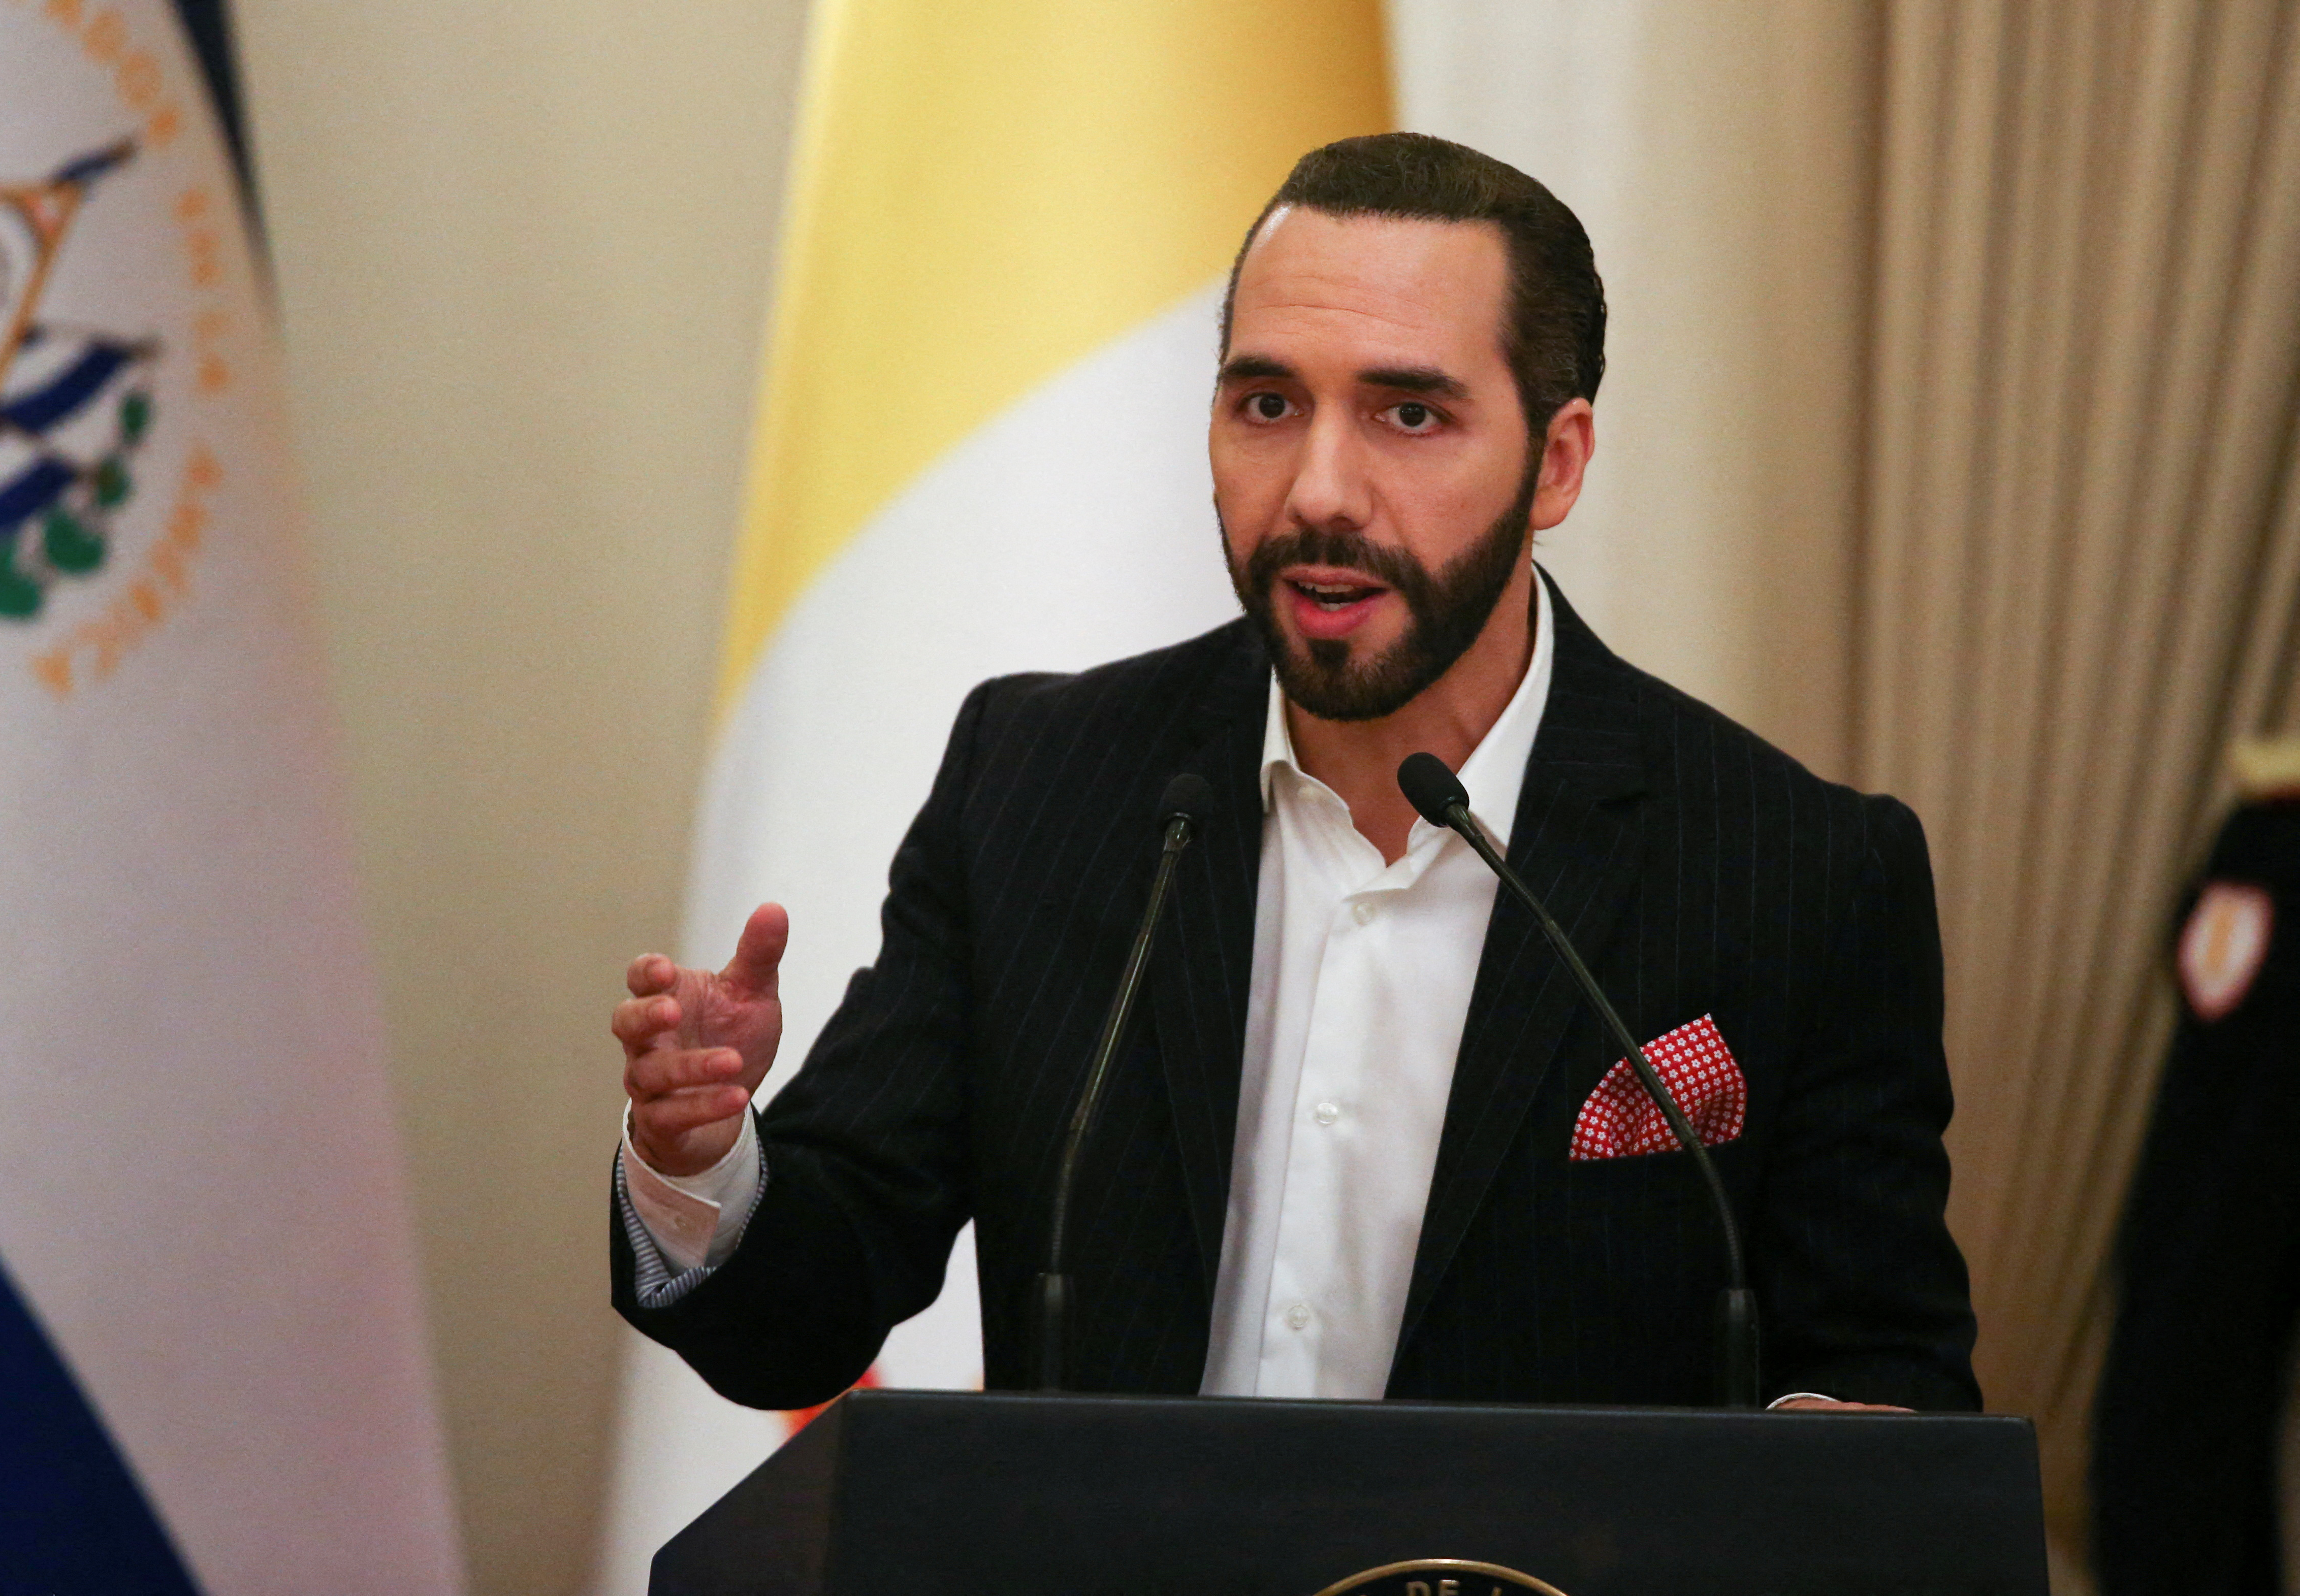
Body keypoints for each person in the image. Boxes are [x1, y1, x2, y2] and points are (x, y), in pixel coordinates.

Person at [609, 133, 1979, 1414]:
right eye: (1267, 403)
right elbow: (814, 1304)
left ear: (1553, 463)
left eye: (1407, 416)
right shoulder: (1039, 786)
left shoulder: (1794, 873)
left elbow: (1878, 1389)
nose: (1318, 488)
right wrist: (704, 1164)